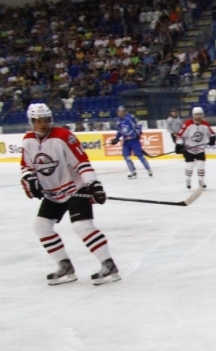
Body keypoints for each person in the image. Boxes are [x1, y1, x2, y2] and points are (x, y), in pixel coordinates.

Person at [19, 103, 120, 286]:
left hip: (75, 189)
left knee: (81, 226)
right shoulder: (28, 140)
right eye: (38, 121)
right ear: (31, 121)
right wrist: (31, 180)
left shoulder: (64, 136)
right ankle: (65, 266)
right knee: (41, 226)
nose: (42, 124)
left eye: (45, 120)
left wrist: (94, 185)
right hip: (53, 193)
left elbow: (81, 162)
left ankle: (108, 264)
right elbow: (26, 167)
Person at [174, 107, 216, 189]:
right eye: (196, 114)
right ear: (193, 115)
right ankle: (188, 179)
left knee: (201, 165)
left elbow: (212, 133)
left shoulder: (205, 124)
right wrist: (179, 144)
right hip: (189, 149)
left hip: (200, 149)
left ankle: (201, 181)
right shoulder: (187, 124)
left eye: (200, 114)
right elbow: (180, 135)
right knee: (190, 166)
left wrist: (213, 139)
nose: (198, 116)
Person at [111, 106, 151, 179]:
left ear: (124, 111)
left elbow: (139, 124)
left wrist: (138, 132)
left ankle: (148, 169)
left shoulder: (130, 117)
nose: (121, 113)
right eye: (119, 112)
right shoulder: (117, 120)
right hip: (126, 142)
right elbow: (120, 131)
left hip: (134, 140)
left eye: (122, 111)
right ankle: (133, 171)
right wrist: (116, 138)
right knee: (126, 156)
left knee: (139, 155)